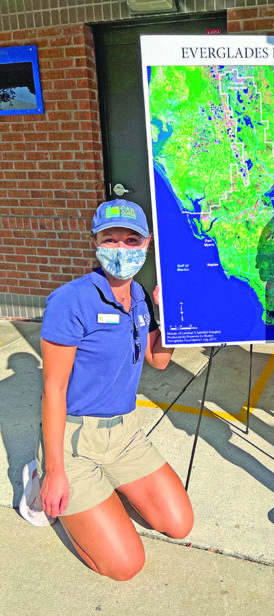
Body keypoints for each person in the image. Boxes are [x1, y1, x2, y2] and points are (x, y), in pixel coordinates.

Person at [27, 199, 193, 580]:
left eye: (131, 240)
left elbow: (159, 360)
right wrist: (56, 471)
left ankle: (100, 493)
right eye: (110, 239)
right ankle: (39, 479)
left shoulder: (140, 298)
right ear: (96, 242)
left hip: (125, 434)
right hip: (74, 440)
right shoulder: (70, 300)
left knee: (179, 524)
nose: (120, 249)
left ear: (147, 244)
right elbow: (53, 390)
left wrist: (169, 320)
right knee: (125, 566)